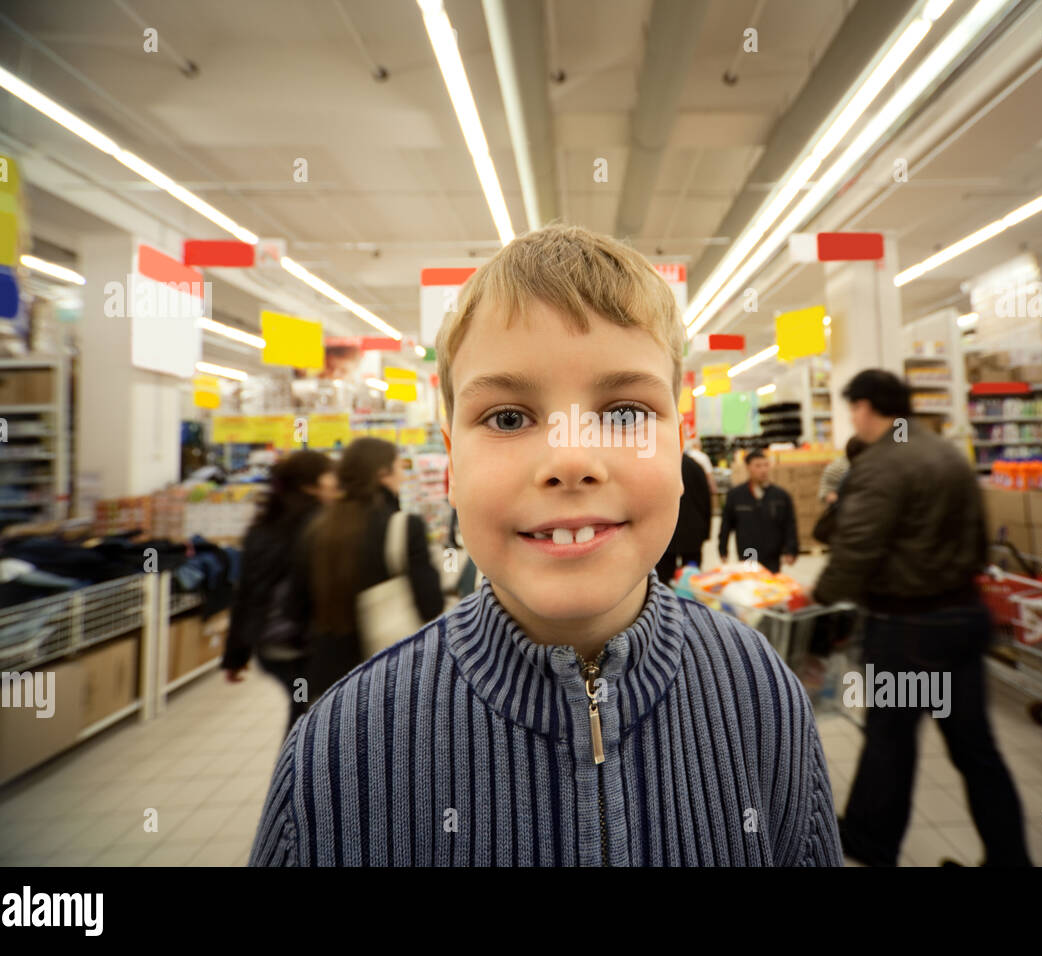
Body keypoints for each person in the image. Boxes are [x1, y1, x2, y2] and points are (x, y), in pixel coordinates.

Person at [251, 224, 841, 866]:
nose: (570, 459)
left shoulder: (761, 693)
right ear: (451, 466)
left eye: (624, 413)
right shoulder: (339, 750)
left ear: (678, 445)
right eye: (508, 418)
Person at [813, 369, 1029, 867]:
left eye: (853, 409)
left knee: (890, 738)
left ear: (866, 407)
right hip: (962, 618)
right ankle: (1010, 857)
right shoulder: (946, 451)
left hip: (909, 629)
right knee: (977, 749)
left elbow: (857, 548)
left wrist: (822, 601)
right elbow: (980, 538)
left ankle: (871, 841)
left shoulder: (884, 462)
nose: (853, 420)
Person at [285, 437, 445, 704]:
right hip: (390, 676)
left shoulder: (315, 529)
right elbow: (430, 605)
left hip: (329, 680)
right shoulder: (403, 526)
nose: (403, 477)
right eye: (399, 467)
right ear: (383, 473)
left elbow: (295, 609)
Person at [223, 451, 336, 736]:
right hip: (300, 640)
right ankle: (295, 775)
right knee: (307, 715)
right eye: (329, 475)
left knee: (304, 707)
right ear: (310, 484)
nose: (335, 482)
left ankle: (297, 771)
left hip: (271, 644)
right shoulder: (318, 524)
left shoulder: (262, 527)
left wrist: (236, 656)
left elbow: (246, 593)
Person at [718, 449, 799, 573]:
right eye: (758, 466)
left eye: (766, 465)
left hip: (772, 555)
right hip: (748, 552)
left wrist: (791, 549)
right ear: (748, 467)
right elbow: (726, 524)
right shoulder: (736, 495)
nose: (763, 470)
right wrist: (723, 549)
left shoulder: (781, 496)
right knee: (750, 587)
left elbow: (789, 525)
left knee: (771, 587)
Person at [656, 450, 712, 584]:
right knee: (691, 577)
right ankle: (690, 602)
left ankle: (665, 602)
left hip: (665, 531)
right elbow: (706, 500)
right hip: (693, 530)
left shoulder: (660, 465)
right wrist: (706, 531)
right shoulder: (696, 467)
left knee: (664, 576)